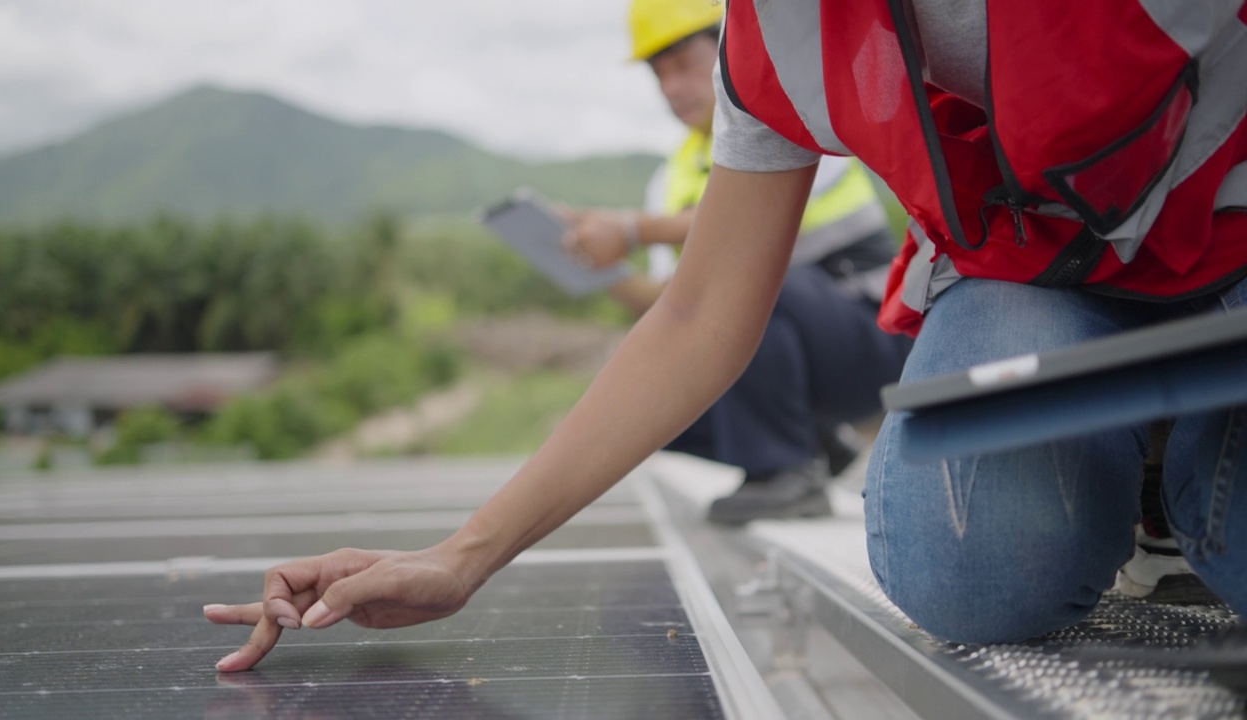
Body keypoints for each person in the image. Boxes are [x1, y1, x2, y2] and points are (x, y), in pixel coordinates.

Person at [205, 1, 1247, 671]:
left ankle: (1183, 452)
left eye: (678, 60)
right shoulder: (784, 38)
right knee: (972, 573)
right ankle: (1157, 467)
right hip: (1040, 287)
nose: (673, 85)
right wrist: (462, 556)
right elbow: (700, 312)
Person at [558, 0, 911, 525]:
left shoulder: (800, 115)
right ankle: (815, 445)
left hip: (879, 340)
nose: (673, 87)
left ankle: (785, 472)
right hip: (806, 360)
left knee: (746, 280)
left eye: (683, 63)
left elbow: (744, 229)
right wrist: (601, 270)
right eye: (659, 74)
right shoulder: (672, 178)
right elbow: (673, 307)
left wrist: (630, 229)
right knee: (646, 396)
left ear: (730, 43)